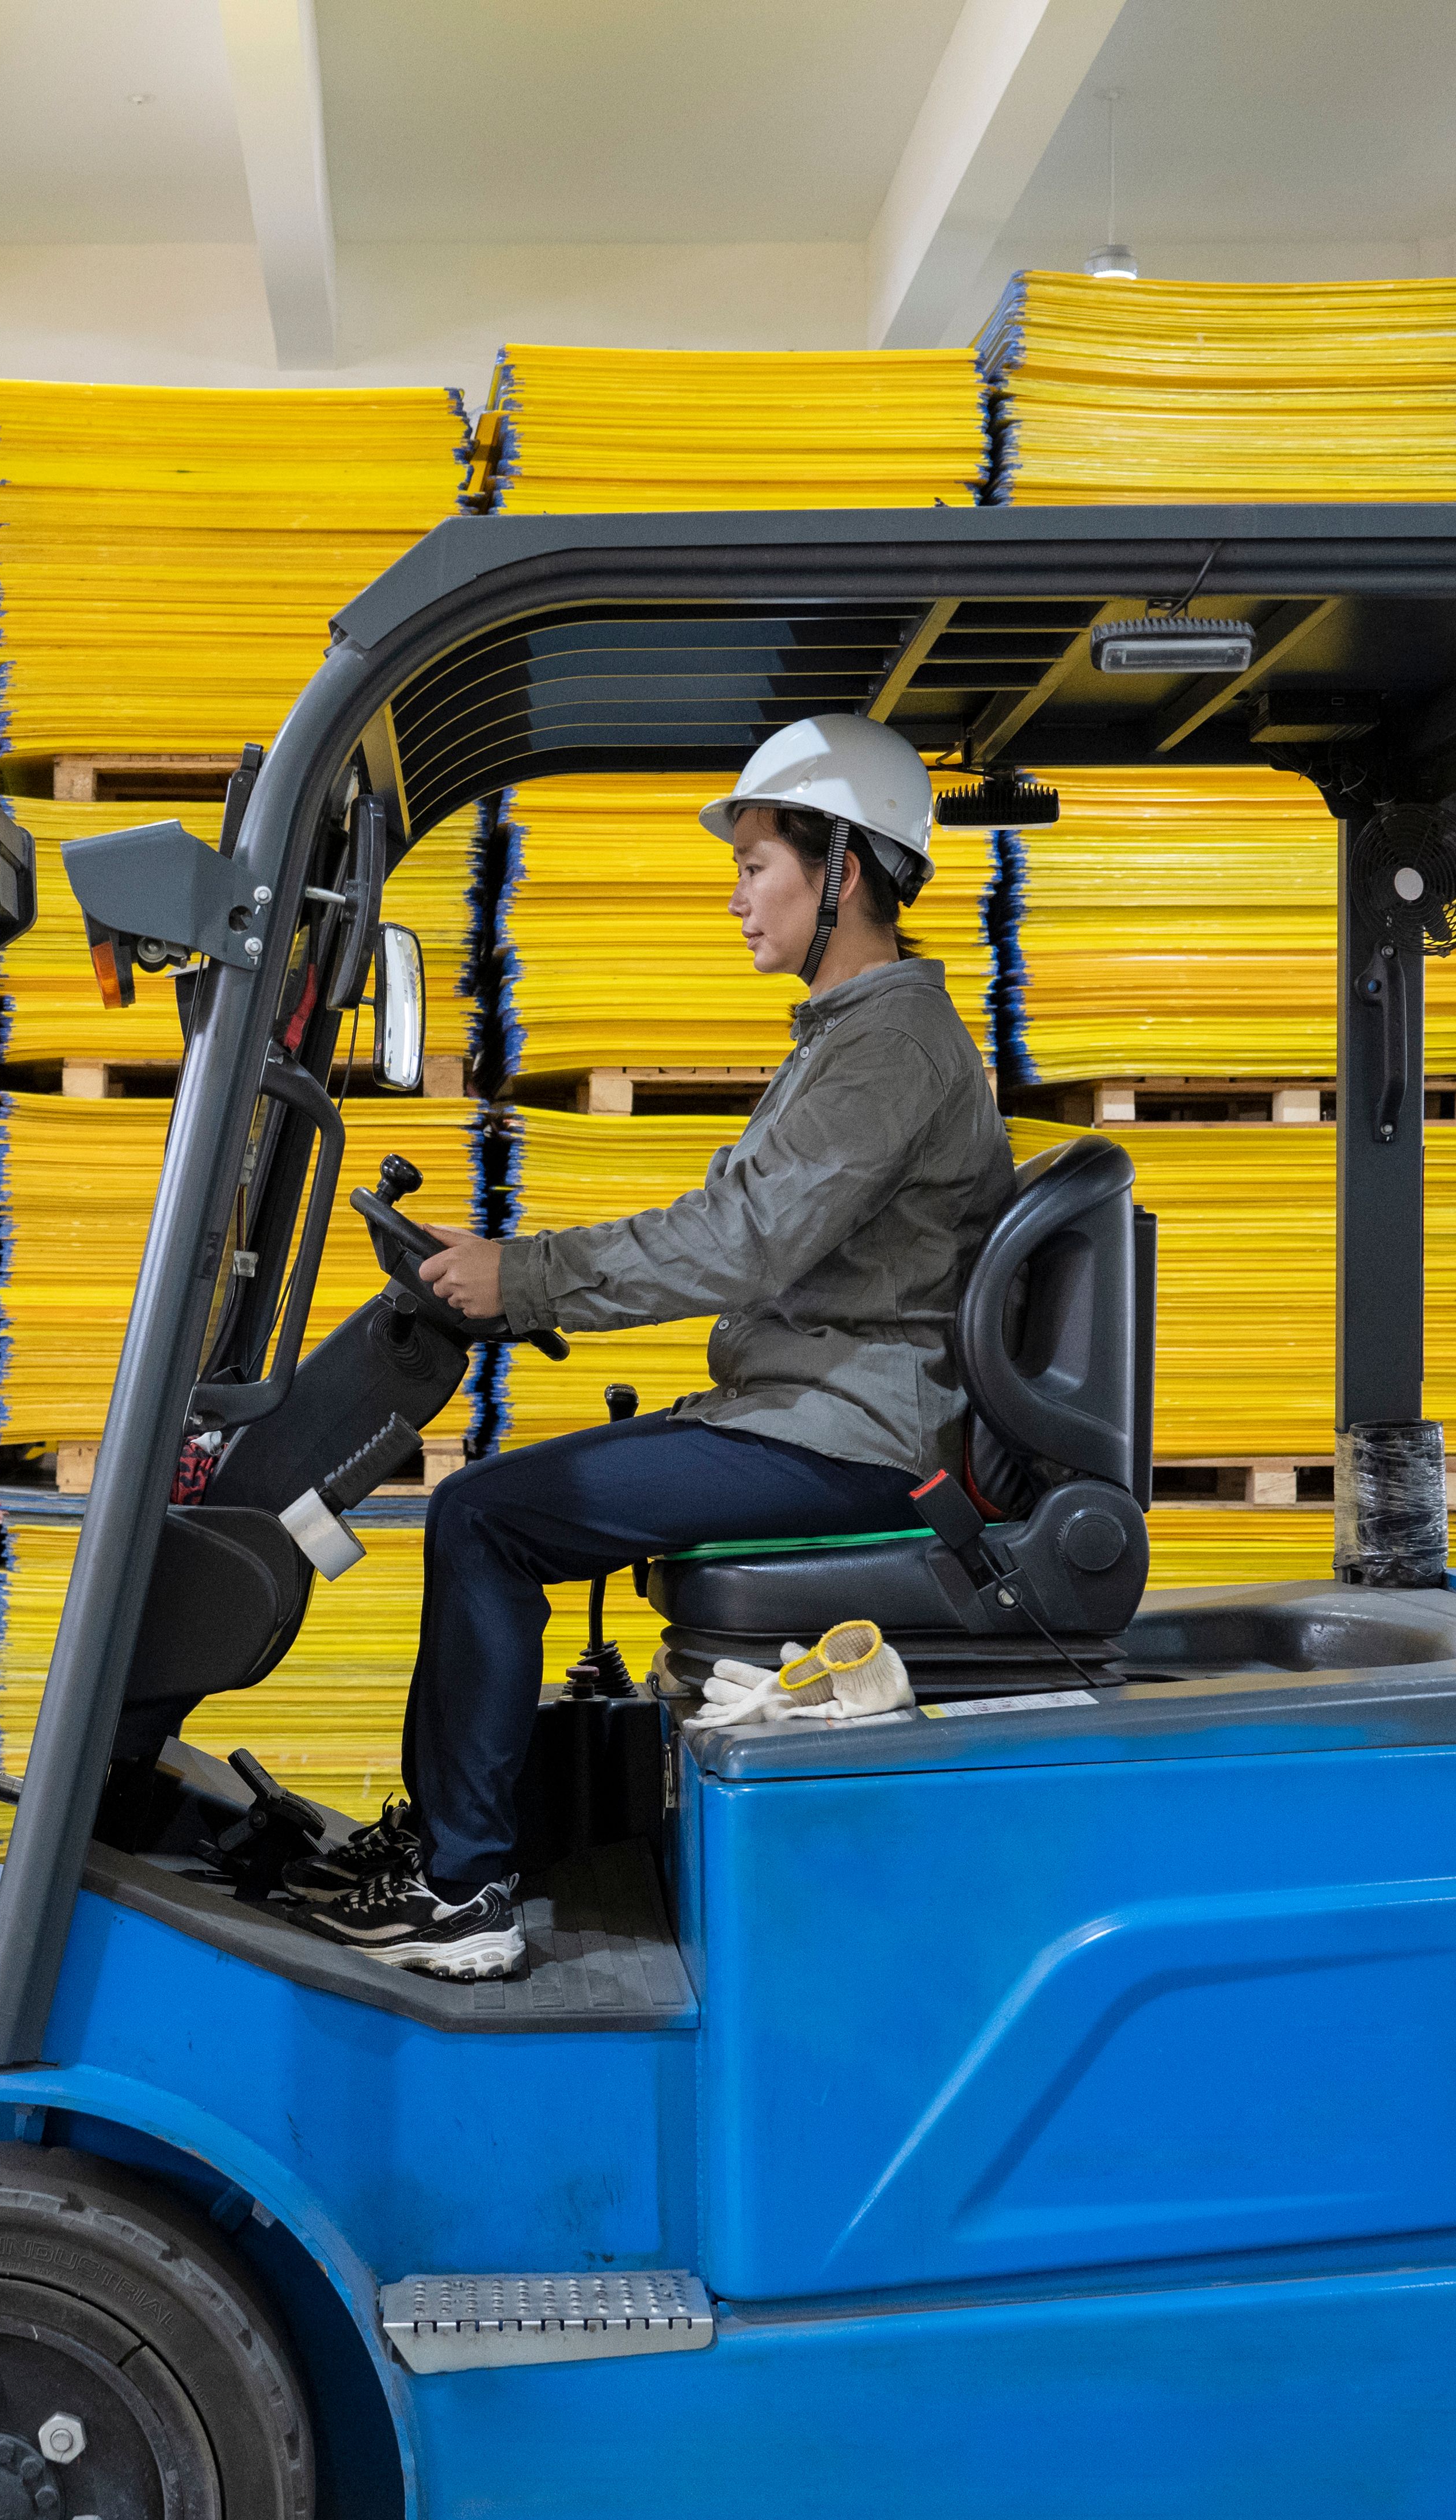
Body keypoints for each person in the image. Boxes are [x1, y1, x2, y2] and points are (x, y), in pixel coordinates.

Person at [296, 714, 1016, 1978]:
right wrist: (515, 1274)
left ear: (842, 867)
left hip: (849, 1435)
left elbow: (739, 1241)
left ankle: (464, 1892)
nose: (737, 897)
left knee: (484, 1518)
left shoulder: (887, 1051)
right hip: (809, 1409)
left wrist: (524, 1280)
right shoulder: (853, 1040)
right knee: (498, 1506)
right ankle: (446, 1846)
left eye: (756, 866)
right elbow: (746, 1236)